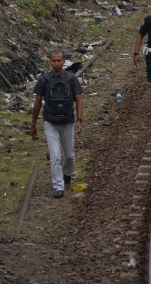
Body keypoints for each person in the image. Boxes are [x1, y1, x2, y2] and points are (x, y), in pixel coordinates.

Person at [31, 50, 84, 199]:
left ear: (63, 61)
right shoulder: (44, 80)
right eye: (54, 60)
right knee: (55, 155)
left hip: (68, 121)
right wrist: (33, 123)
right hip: (50, 122)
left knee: (69, 156)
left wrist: (79, 120)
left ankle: (67, 175)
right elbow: (37, 102)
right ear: (49, 61)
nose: (56, 63)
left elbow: (79, 100)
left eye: (59, 60)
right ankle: (58, 187)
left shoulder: (71, 78)